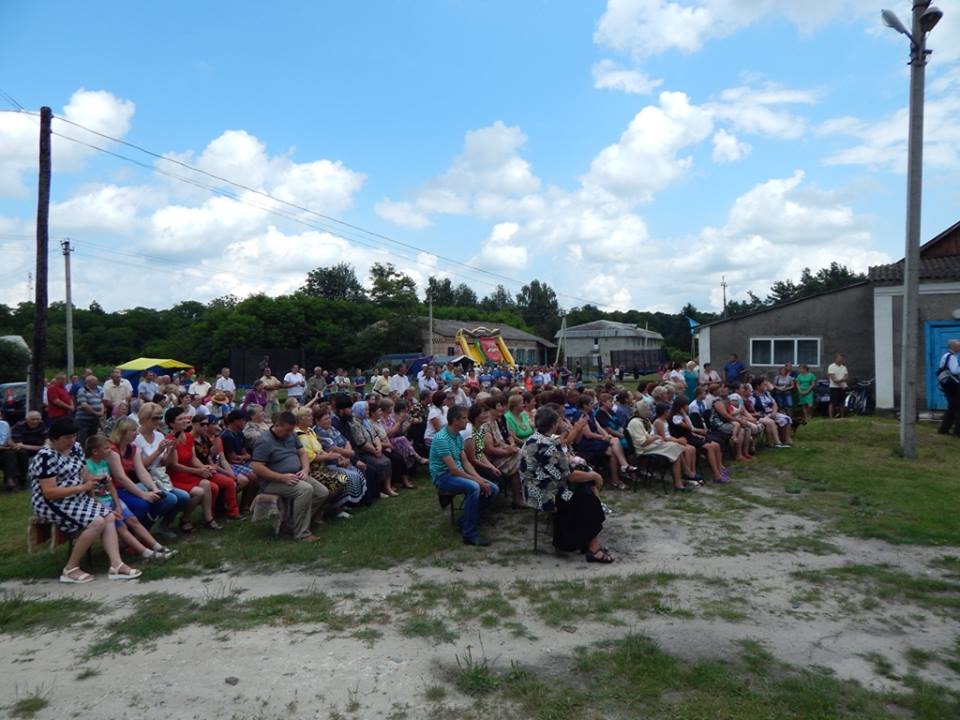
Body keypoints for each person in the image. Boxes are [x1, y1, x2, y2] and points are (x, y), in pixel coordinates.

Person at [30, 418, 141, 582]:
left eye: (74, 436)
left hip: (76, 497)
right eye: (67, 438)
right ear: (54, 439)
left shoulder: (75, 448)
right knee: (97, 522)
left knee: (109, 516)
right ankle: (70, 569)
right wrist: (82, 488)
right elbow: (49, 492)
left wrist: (95, 479)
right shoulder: (46, 457)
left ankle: (116, 565)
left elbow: (84, 472)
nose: (71, 440)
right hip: (52, 503)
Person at [521, 406, 612, 562]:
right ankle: (592, 547)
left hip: (538, 486)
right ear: (554, 424)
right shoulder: (548, 446)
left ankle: (585, 541)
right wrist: (595, 476)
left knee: (585, 490)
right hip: (543, 494)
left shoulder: (536, 438)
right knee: (588, 498)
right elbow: (569, 476)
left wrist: (576, 428)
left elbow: (562, 463)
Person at [84, 435, 176, 562]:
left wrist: (117, 504)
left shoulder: (104, 463)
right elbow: (90, 492)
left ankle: (158, 547)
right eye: (106, 448)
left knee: (133, 520)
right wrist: (108, 509)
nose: (110, 450)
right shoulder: (87, 466)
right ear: (95, 451)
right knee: (121, 527)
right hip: (99, 503)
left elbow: (111, 486)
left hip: (111, 499)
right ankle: (147, 553)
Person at [251, 411, 329, 542]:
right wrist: (281, 477)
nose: (289, 433)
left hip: (296, 474)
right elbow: (257, 467)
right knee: (305, 490)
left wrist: (305, 469)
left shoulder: (291, 434)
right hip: (273, 481)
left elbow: (302, 453)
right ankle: (302, 534)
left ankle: (292, 523)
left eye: (291, 430)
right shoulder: (264, 441)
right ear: (277, 425)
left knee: (322, 492)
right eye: (287, 430)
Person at [429, 405, 499, 546]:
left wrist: (479, 479)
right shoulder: (441, 439)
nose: (467, 421)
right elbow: (453, 470)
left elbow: (465, 462)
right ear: (455, 421)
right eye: (464, 418)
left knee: (493, 488)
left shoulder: (457, 436)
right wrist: (478, 481)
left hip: (456, 472)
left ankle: (466, 520)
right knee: (474, 487)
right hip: (443, 476)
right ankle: (469, 534)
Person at [135, 402, 192, 537]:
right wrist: (159, 451)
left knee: (184, 497)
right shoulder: (137, 438)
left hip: (160, 476)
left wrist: (171, 450)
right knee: (171, 499)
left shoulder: (159, 436)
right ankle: (145, 526)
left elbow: (164, 463)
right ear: (144, 418)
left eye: (160, 417)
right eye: (155, 418)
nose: (158, 421)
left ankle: (164, 525)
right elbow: (140, 465)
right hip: (142, 479)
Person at [626, 401, 696, 492]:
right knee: (675, 447)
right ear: (642, 410)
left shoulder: (645, 420)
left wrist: (656, 438)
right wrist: (656, 437)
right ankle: (684, 475)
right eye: (648, 409)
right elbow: (642, 443)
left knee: (676, 449)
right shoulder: (635, 423)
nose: (650, 411)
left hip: (652, 445)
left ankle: (680, 482)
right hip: (644, 449)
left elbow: (651, 435)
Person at [314, 407, 369, 509]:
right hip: (332, 463)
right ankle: (342, 504)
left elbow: (346, 441)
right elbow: (332, 448)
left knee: (363, 470)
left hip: (344, 458)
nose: (329, 421)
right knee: (349, 476)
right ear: (317, 421)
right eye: (326, 419)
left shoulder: (332, 429)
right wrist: (350, 453)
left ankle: (358, 502)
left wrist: (348, 456)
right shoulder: (318, 432)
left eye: (329, 418)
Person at [348, 401, 396, 497]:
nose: (368, 411)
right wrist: (375, 451)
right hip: (363, 452)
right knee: (379, 464)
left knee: (387, 461)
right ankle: (379, 489)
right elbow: (361, 443)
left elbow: (375, 436)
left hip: (374, 449)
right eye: (365, 410)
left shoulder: (366, 421)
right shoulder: (354, 424)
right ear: (359, 411)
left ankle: (387, 487)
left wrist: (379, 447)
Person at [936, 339, 960, 437]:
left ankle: (944, 429)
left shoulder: (945, 356)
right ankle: (957, 432)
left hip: (946, 384)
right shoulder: (952, 357)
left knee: (952, 407)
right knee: (958, 407)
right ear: (954, 347)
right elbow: (955, 371)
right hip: (953, 385)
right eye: (959, 346)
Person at [74, 375, 104, 445]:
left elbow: (101, 402)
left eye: (96, 382)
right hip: (83, 420)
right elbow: (84, 405)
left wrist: (101, 412)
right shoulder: (82, 390)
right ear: (88, 382)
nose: (96, 383)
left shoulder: (98, 390)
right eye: (94, 382)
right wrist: (96, 413)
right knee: (82, 438)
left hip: (94, 420)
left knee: (93, 439)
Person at [827, 353, 849, 419]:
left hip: (843, 387)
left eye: (841, 358)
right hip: (834, 387)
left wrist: (841, 382)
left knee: (842, 402)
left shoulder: (844, 367)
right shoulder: (831, 366)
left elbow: (846, 377)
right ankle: (831, 418)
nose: (840, 360)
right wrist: (841, 382)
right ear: (835, 359)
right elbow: (834, 379)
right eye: (839, 358)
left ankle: (842, 417)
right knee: (832, 402)